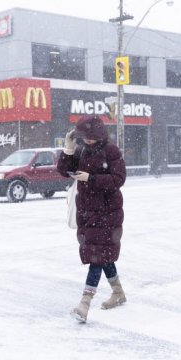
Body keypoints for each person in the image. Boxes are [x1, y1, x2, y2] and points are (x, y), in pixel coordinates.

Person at [57, 115, 127, 323]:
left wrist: (92, 178)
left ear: (98, 135)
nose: (86, 141)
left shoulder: (111, 151)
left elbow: (118, 179)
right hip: (87, 212)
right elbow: (63, 171)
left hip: (107, 212)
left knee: (97, 256)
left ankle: (84, 304)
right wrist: (68, 150)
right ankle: (118, 293)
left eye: (89, 137)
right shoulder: (81, 150)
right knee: (102, 255)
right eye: (82, 137)